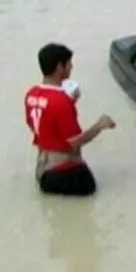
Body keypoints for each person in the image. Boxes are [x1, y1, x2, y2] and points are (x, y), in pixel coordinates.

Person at [24, 43, 116, 197]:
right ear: (60, 67)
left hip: (43, 169)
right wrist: (100, 125)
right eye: (69, 63)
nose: (72, 67)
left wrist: (70, 102)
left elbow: (43, 124)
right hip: (65, 173)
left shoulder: (31, 94)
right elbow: (75, 142)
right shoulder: (61, 101)